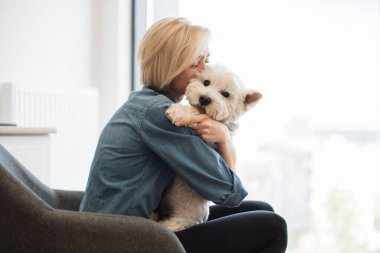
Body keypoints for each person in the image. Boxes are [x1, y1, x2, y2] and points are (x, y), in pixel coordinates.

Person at [80, 17, 287, 253]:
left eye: (206, 59)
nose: (204, 69)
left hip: (117, 229)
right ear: (172, 66)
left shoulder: (144, 103)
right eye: (196, 64)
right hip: (126, 240)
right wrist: (225, 139)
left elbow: (228, 192)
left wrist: (223, 138)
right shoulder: (164, 114)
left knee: (261, 208)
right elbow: (229, 192)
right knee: (273, 227)